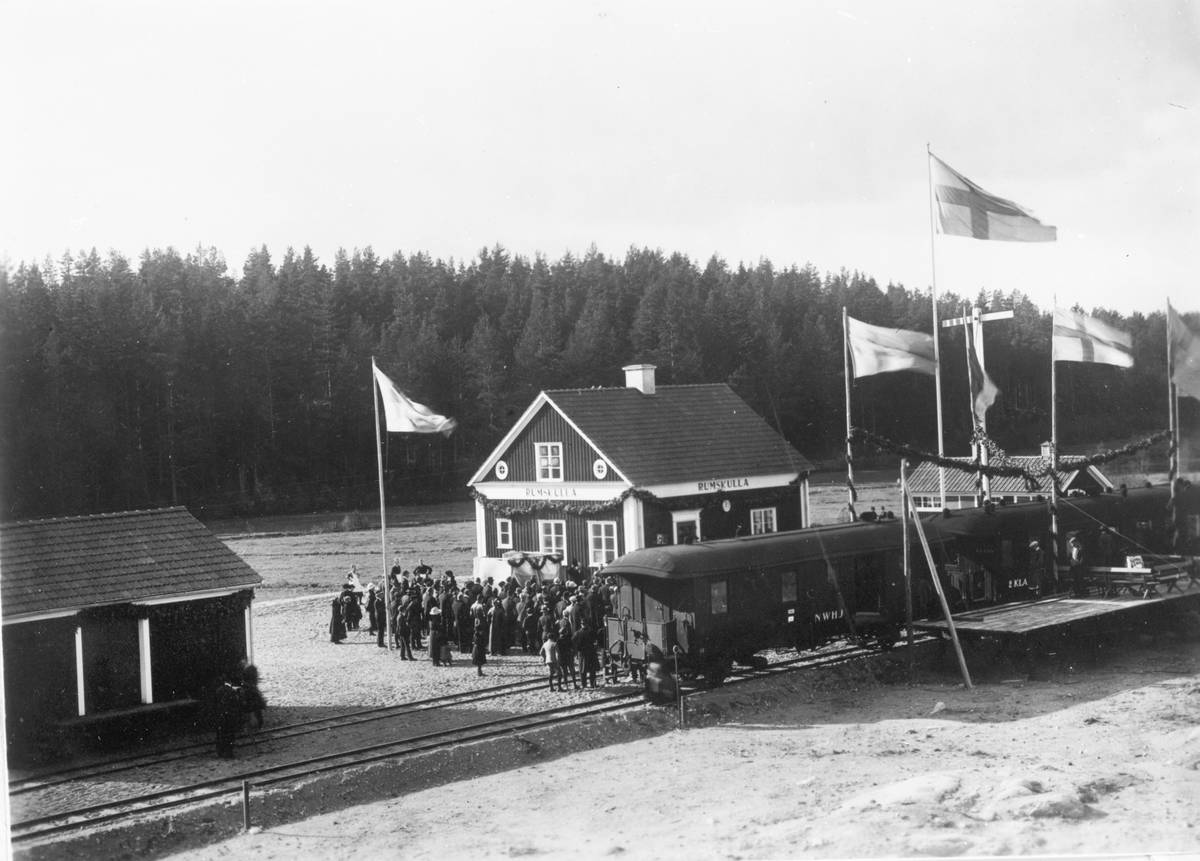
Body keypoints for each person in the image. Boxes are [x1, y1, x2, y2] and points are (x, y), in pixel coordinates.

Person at [213, 677, 243, 757]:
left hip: (220, 716)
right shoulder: (232, 691)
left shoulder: (218, 690)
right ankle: (229, 752)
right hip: (230, 717)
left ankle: (220, 752)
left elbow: (215, 703)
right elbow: (236, 704)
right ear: (230, 682)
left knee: (220, 734)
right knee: (230, 734)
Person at [240, 659, 266, 729]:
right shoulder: (251, 670)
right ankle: (258, 725)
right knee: (256, 710)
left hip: (250, 694)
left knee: (252, 710)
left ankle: (254, 725)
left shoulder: (247, 672)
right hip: (253, 694)